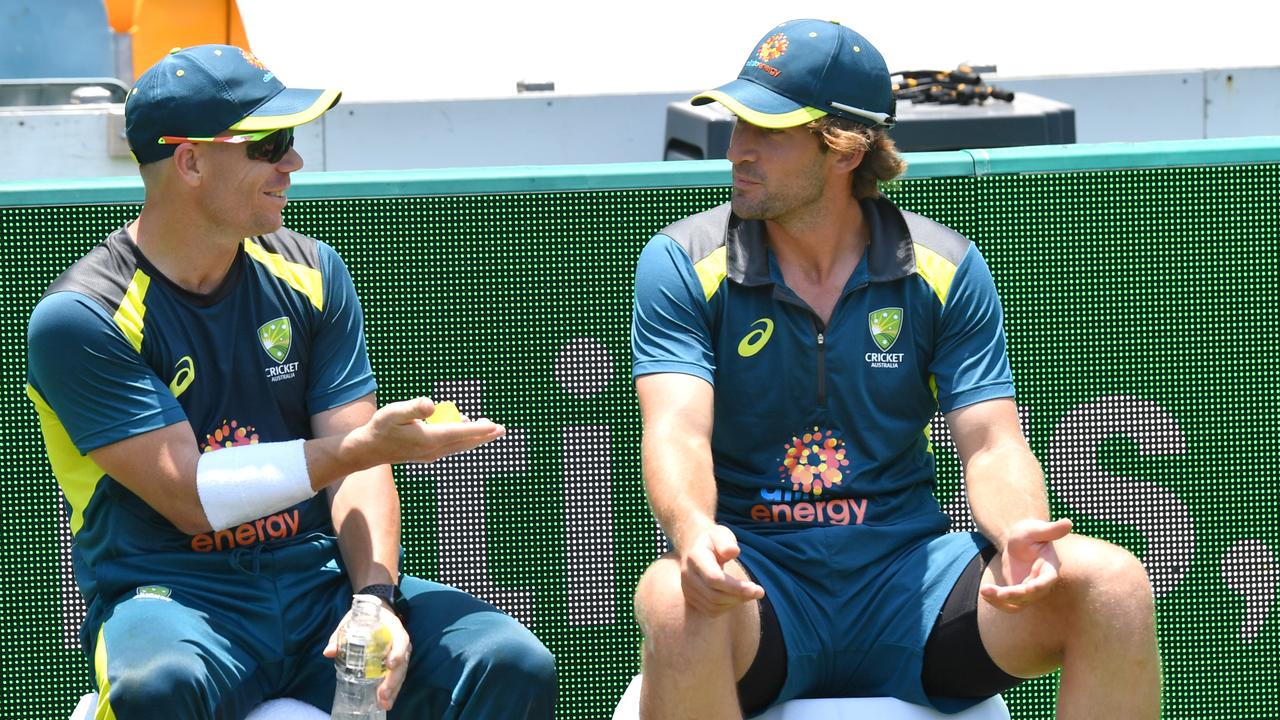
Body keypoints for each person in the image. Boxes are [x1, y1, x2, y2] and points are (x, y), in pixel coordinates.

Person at [629, 19, 1160, 719]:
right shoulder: (680, 263)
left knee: (1113, 584)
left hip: (908, 582)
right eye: (737, 124)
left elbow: (992, 442)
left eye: (770, 130)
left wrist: (1020, 532)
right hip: (760, 583)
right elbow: (675, 431)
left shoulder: (947, 268)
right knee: (672, 597)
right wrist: (697, 534)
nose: (740, 151)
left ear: (845, 149)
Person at [26, 45, 555, 719]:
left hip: (317, 588)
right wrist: (363, 448)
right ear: (189, 161)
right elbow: (192, 497)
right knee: (156, 686)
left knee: (511, 663)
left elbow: (355, 469)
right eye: (269, 143)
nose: (292, 162)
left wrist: (373, 603)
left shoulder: (312, 270)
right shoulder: (81, 317)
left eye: (293, 140)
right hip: (173, 598)